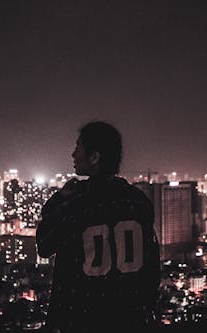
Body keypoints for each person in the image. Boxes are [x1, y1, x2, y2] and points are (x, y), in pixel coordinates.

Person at [36, 120, 161, 333]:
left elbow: (45, 245)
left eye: (78, 148)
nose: (73, 155)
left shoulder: (76, 202)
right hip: (130, 318)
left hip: (82, 318)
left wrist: (57, 199)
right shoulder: (138, 201)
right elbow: (152, 266)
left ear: (94, 157)